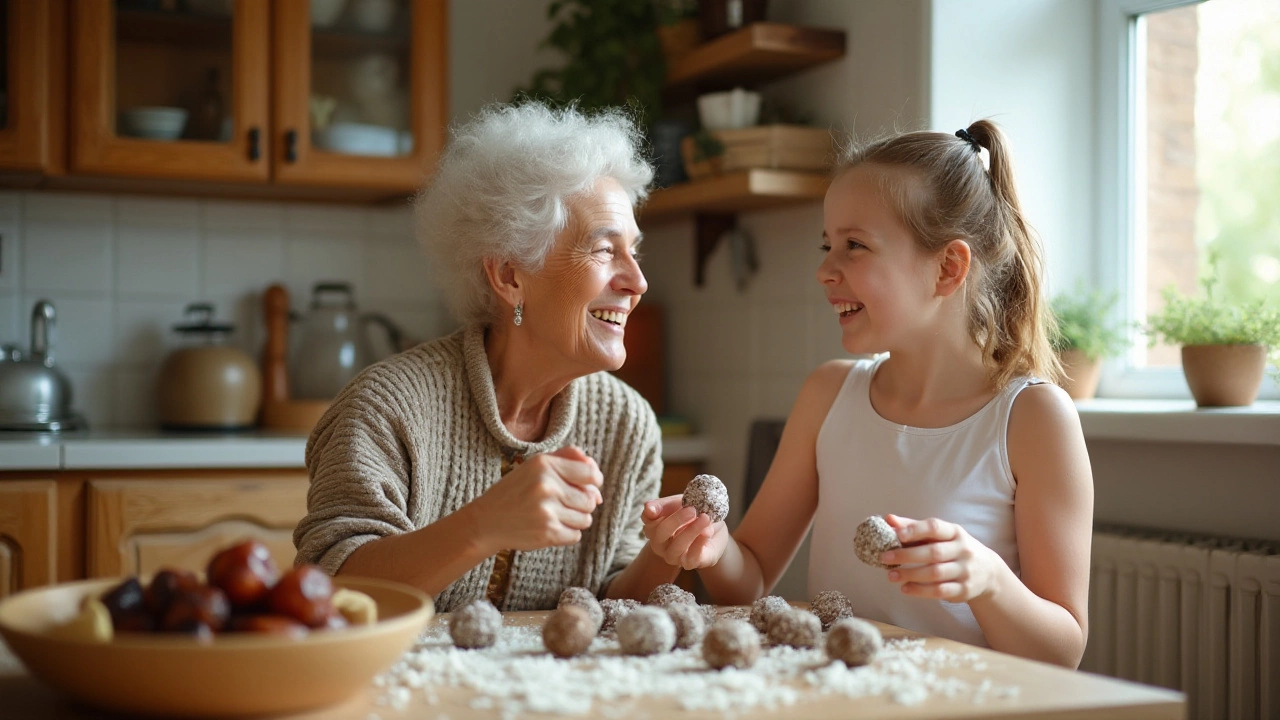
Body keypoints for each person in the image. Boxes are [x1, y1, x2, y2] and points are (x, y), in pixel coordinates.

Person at [643, 121, 1094, 668]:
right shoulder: (827, 394)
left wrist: (989, 581)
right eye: (827, 244)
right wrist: (713, 550)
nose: (824, 270)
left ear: (948, 268)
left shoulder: (1033, 418)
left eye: (854, 246)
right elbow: (752, 578)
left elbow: (1063, 651)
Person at [293, 102, 718, 611]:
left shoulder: (628, 426)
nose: (638, 282)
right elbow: (330, 594)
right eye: (605, 251)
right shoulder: (387, 408)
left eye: (635, 251)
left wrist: (665, 552)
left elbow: (609, 602)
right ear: (510, 276)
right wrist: (484, 524)